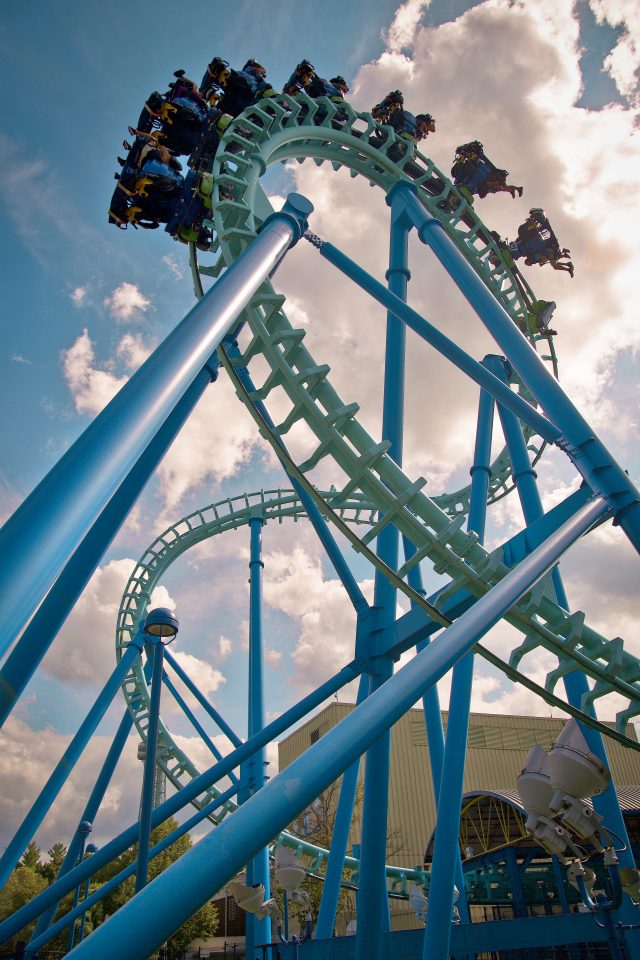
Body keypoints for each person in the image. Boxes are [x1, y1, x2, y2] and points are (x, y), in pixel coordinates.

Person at [451, 141, 522, 202]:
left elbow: (503, 188)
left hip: (467, 180)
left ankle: (457, 195)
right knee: (459, 173)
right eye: (495, 186)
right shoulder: (491, 174)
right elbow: (484, 160)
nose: (494, 189)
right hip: (471, 168)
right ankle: (466, 156)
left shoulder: (483, 187)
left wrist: (516, 189)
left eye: (494, 188)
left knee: (464, 182)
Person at [512, 208, 574, 277]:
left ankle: (567, 264)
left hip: (542, 247)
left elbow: (546, 259)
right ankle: (567, 263)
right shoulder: (534, 257)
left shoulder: (533, 257)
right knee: (554, 263)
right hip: (541, 247)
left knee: (554, 264)